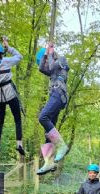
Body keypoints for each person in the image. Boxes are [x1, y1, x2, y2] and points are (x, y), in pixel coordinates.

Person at [0, 38, 25, 157]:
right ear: (1, 53)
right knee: (17, 119)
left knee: (0, 120)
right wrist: (8, 47)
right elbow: (19, 56)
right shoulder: (7, 61)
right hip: (10, 93)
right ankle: (19, 144)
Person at [36, 42, 70, 175]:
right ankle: (49, 162)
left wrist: (49, 53)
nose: (45, 64)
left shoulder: (61, 60)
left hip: (59, 94)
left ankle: (61, 146)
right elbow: (41, 69)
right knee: (48, 131)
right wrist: (45, 55)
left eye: (45, 61)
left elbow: (50, 66)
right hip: (55, 96)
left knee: (43, 117)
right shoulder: (50, 66)